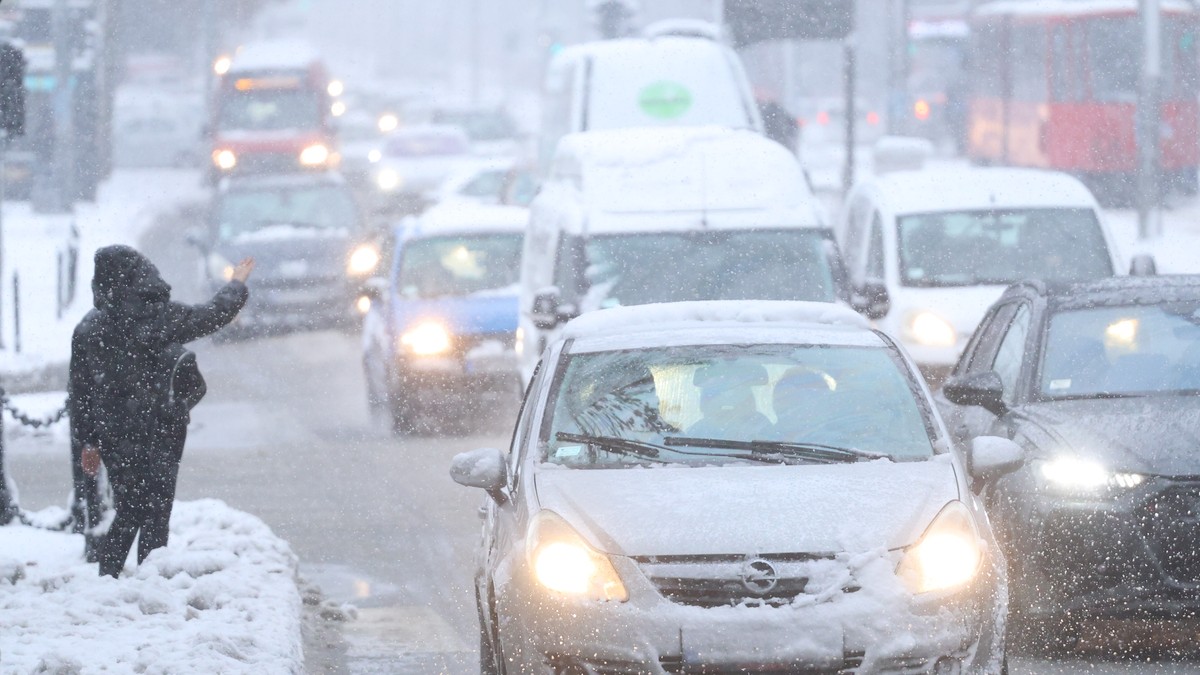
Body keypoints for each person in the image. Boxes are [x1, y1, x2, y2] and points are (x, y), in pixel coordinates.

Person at [68, 245, 254, 577]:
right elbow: (213, 314)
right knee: (157, 510)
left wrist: (89, 442)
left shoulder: (89, 329)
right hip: (162, 427)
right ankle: (151, 578)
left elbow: (81, 394)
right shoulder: (157, 317)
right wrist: (237, 284)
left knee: (129, 508)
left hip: (114, 434)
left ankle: (108, 577)